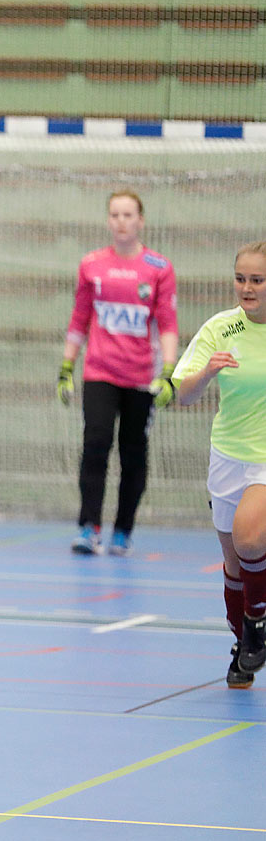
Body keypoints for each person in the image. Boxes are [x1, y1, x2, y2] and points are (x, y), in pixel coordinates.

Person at [58, 190, 179, 557]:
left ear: (141, 220)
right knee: (95, 445)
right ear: (108, 220)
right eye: (115, 215)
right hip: (99, 372)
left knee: (134, 454)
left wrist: (170, 373)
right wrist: (67, 365)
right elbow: (80, 318)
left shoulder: (159, 268)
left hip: (143, 376)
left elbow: (168, 324)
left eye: (128, 214)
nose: (121, 221)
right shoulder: (92, 265)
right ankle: (88, 527)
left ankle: (123, 530)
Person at [171, 241, 266, 688]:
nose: (247, 288)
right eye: (241, 278)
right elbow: (183, 395)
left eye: (258, 280)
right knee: (233, 564)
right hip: (228, 455)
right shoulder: (220, 328)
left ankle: (259, 627)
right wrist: (206, 372)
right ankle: (244, 642)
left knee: (250, 539)